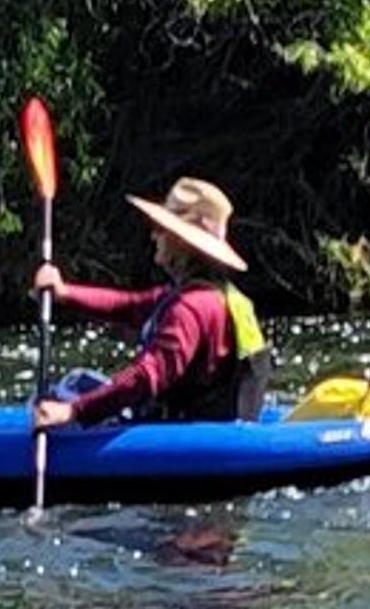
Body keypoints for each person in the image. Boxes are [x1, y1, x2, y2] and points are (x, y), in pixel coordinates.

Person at [30, 177, 271, 430]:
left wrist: (73, 411)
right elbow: (130, 306)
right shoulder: (211, 295)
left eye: (161, 228)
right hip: (219, 425)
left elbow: (148, 376)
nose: (154, 234)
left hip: (188, 439)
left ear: (182, 241)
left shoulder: (191, 309)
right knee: (77, 382)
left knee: (65, 392)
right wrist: (65, 293)